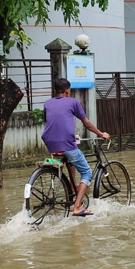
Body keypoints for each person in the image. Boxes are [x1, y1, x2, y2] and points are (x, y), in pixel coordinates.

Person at [41, 78, 110, 217]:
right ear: (67, 91)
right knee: (87, 173)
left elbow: (53, 122)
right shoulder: (73, 102)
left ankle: (72, 188)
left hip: (50, 143)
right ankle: (77, 207)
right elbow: (86, 123)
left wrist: (71, 136)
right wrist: (101, 134)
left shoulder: (47, 103)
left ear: (55, 91)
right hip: (66, 143)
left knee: (71, 160)